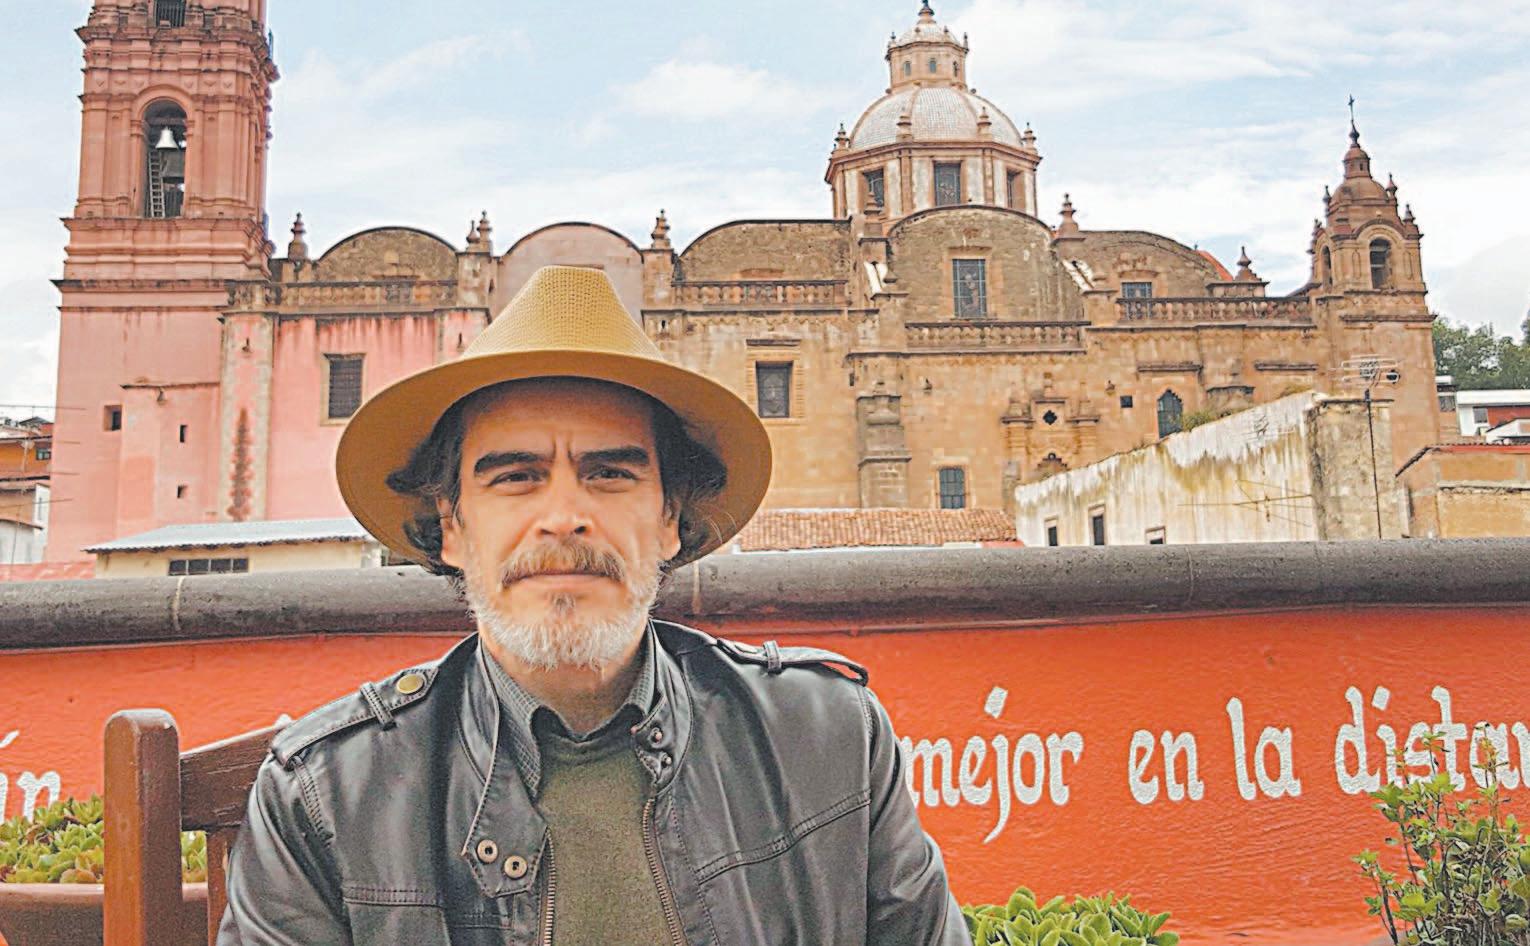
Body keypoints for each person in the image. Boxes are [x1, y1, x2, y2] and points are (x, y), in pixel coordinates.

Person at [218, 265, 968, 945]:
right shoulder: (325, 794)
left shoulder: (828, 735)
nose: (564, 517)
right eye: (516, 477)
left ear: (670, 517)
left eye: (609, 474)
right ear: (451, 527)